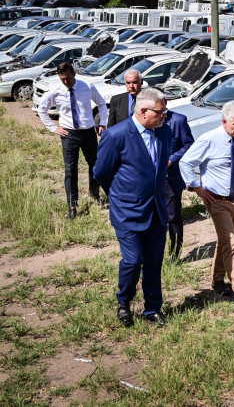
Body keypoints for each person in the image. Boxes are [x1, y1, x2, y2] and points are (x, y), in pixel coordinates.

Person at [93, 88, 172, 328]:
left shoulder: (164, 132)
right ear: (144, 111)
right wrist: (120, 196)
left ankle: (152, 309)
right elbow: (101, 173)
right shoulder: (116, 135)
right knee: (133, 259)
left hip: (156, 211)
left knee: (154, 261)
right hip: (127, 211)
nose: (164, 116)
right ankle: (124, 302)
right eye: (161, 111)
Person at [179, 100, 234, 307]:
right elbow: (186, 162)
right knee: (231, 242)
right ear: (224, 122)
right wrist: (197, 188)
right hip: (216, 200)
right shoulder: (209, 139)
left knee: (226, 241)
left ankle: (218, 280)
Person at [38, 61, 108, 220]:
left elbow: (102, 104)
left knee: (95, 165)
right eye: (62, 79)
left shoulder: (87, 87)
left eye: (68, 78)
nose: (65, 82)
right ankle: (72, 206)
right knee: (70, 170)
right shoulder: (55, 91)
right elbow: (42, 110)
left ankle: (94, 192)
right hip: (68, 134)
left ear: (74, 74)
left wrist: (102, 122)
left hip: (88, 132)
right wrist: (53, 128)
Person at [163, 110, 194, 258]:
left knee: (173, 216)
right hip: (149, 178)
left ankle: (175, 255)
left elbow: (188, 144)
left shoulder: (178, 120)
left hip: (171, 177)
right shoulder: (141, 119)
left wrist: (172, 160)